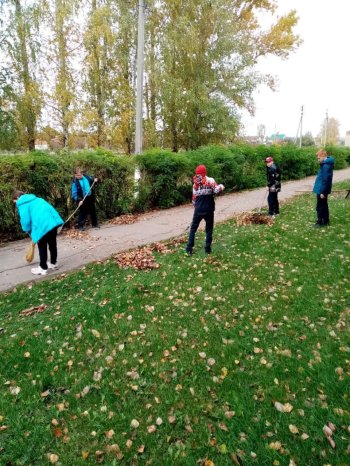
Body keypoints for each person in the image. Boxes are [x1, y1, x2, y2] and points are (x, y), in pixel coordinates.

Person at [13, 190, 64, 275]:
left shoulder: (22, 204)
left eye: (14, 201)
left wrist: (27, 230)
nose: (15, 203)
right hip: (52, 224)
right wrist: (58, 222)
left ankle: (43, 268)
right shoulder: (38, 199)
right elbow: (51, 209)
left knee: (42, 246)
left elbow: (25, 220)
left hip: (40, 227)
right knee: (52, 244)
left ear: (17, 198)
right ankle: (53, 263)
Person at [186, 164, 224, 256]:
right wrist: (221, 187)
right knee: (209, 229)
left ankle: (189, 249)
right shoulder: (210, 181)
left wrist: (197, 207)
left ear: (197, 173)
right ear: (205, 172)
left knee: (193, 229)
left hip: (198, 210)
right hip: (209, 209)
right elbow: (215, 190)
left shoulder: (195, 184)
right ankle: (207, 249)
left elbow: (194, 199)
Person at [312, 148, 334, 227]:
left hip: (322, 189)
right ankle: (326, 220)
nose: (318, 159)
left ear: (323, 156)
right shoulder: (325, 164)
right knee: (324, 204)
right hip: (322, 188)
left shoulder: (326, 165)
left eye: (318, 158)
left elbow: (325, 179)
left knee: (320, 205)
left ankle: (320, 221)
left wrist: (322, 192)